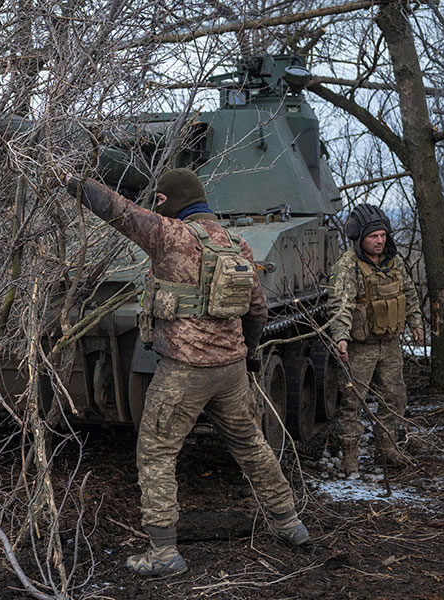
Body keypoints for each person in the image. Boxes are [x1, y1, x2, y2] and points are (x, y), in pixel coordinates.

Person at [62, 168, 309, 578]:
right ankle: (289, 523)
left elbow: (116, 209)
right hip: (230, 371)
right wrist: (245, 352)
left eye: (159, 200)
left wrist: (73, 181)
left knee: (156, 453)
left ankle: (163, 552)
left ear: (167, 200)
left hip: (184, 371)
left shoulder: (169, 235)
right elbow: (257, 310)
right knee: (251, 445)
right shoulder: (236, 244)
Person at [326, 203, 423, 478]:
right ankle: (350, 456)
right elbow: (340, 305)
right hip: (361, 347)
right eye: (373, 236)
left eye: (382, 235)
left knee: (395, 397)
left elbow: (409, 293)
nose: (380, 241)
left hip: (390, 344)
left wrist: (415, 322)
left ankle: (387, 447)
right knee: (352, 402)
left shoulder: (394, 262)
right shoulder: (348, 266)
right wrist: (341, 338)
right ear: (360, 238)